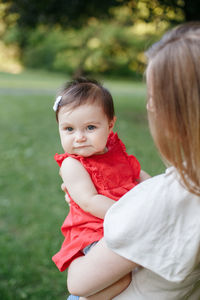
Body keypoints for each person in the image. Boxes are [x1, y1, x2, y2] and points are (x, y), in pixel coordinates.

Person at [65, 23, 200, 300]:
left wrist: (126, 210)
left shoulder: (162, 204)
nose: (149, 107)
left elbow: (77, 283)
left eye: (154, 99)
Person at [52, 78, 150, 299]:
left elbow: (139, 175)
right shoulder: (72, 164)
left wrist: (157, 192)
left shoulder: (116, 151)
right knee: (118, 278)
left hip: (120, 224)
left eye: (90, 127)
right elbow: (89, 201)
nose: (79, 137)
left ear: (110, 125)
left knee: (125, 277)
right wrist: (129, 214)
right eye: (69, 129)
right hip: (94, 229)